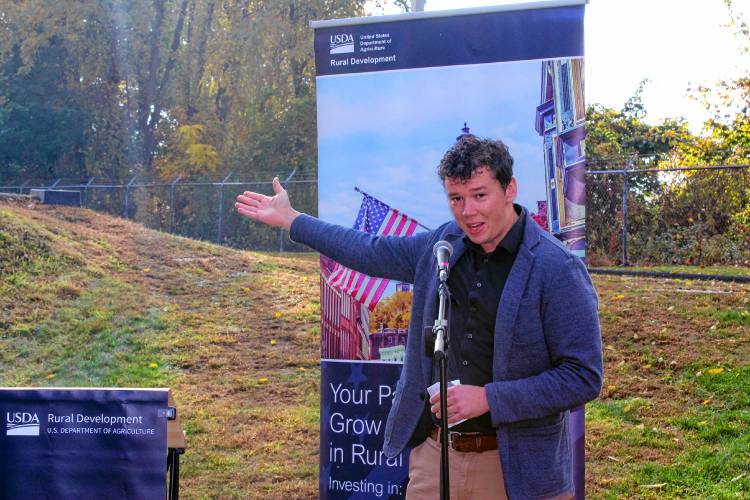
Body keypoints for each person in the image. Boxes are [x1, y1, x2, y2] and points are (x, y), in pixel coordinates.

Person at [235, 135, 602, 500]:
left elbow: (583, 377)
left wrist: (490, 398)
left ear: (510, 190)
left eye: (479, 195)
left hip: (520, 472)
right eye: (456, 199)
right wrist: (292, 220)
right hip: (434, 458)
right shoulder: (441, 245)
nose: (467, 212)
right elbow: (368, 250)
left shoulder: (557, 268)